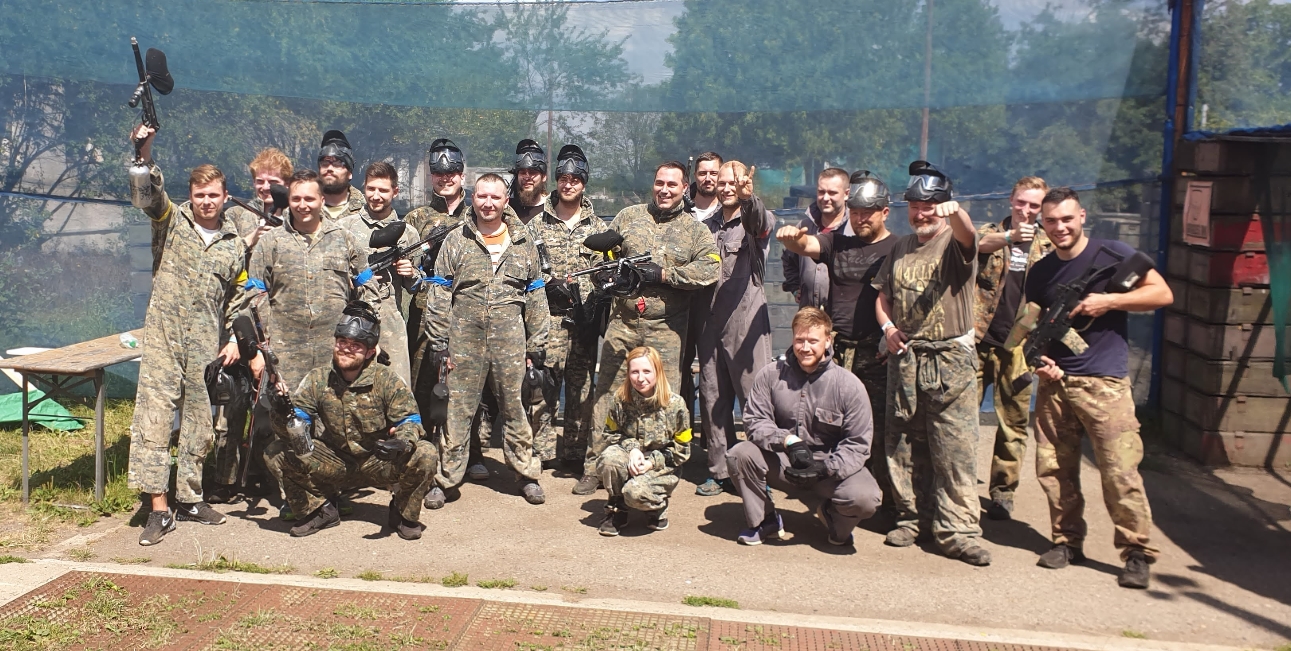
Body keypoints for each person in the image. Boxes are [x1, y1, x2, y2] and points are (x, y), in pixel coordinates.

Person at [1025, 187, 1170, 589]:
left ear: (1082, 216)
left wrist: (1107, 302)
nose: (1059, 227)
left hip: (1104, 381)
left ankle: (1136, 551)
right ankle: (1066, 541)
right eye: (1051, 221)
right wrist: (1039, 361)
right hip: (1056, 383)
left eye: (1066, 219)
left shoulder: (1113, 255)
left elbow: (1162, 293)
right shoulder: (1040, 272)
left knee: (1119, 470)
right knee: (1055, 469)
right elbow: (1031, 327)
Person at [124, 123, 247, 546]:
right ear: (190, 197)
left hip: (205, 345)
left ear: (225, 197)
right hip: (163, 337)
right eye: (199, 195)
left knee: (200, 423)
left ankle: (190, 497)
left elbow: (237, 297)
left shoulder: (235, 244)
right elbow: (148, 196)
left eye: (213, 195)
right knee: (155, 419)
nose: (206, 202)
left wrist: (233, 337)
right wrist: (144, 155)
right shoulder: (170, 221)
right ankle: (158, 507)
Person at [573, 161, 720, 495]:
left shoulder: (694, 230)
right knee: (606, 393)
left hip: (665, 327)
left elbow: (711, 269)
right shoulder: (629, 216)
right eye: (659, 183)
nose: (664, 190)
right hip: (622, 321)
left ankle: (660, 468)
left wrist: (664, 275)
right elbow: (602, 259)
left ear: (685, 189)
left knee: (663, 399)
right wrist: (607, 275)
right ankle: (596, 467)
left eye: (672, 184)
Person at [872, 160, 990, 566]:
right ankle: (910, 517)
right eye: (915, 206)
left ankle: (957, 529)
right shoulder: (902, 247)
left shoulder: (954, 245)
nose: (922, 213)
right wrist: (888, 328)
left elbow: (970, 236)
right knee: (903, 442)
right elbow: (882, 296)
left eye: (930, 205)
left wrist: (954, 212)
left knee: (954, 449)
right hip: (906, 359)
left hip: (950, 363)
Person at [423, 174, 550, 507]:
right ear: (472, 198)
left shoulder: (524, 241)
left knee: (516, 408)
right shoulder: (456, 240)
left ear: (506, 201)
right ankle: (445, 478)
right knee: (457, 411)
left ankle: (526, 474)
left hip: (510, 338)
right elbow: (439, 292)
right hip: (464, 337)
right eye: (482, 196)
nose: (488, 203)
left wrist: (536, 345)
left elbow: (536, 295)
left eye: (495, 197)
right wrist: (439, 342)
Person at [261, 302, 438, 540]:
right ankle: (320, 509)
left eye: (355, 346)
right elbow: (295, 429)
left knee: (425, 453)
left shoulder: (386, 380)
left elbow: (411, 420)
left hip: (379, 461)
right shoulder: (318, 379)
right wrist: (282, 411)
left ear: (369, 352)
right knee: (277, 452)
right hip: (336, 462)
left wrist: (402, 443)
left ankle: (403, 513)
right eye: (342, 343)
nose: (346, 349)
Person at [775, 170, 898, 509]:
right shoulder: (836, 241)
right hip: (837, 350)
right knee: (829, 422)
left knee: (876, 426)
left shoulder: (897, 248)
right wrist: (790, 239)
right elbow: (807, 244)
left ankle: (879, 498)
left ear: (884, 213)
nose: (860, 219)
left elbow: (897, 299)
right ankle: (833, 492)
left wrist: (890, 334)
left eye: (867, 213)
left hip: (875, 352)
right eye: (855, 212)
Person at [728, 307, 881, 546]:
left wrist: (825, 468)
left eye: (813, 340)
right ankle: (765, 519)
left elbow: (858, 444)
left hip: (829, 469)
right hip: (784, 462)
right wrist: (788, 441)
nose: (805, 348)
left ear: (828, 340)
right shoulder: (770, 376)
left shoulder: (849, 385)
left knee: (866, 498)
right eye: (799, 340)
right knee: (739, 454)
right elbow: (755, 421)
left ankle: (833, 517)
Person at [403, 139, 492, 481]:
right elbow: (408, 268)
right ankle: (425, 452)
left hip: (470, 313)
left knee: (471, 387)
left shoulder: (478, 212)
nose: (445, 178)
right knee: (425, 383)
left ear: (462, 173)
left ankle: (471, 454)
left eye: (451, 172)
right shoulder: (417, 217)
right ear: (431, 176)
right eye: (439, 173)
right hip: (429, 313)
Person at [208, 147, 293, 505]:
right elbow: (223, 264)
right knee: (233, 404)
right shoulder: (237, 218)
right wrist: (249, 242)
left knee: (270, 406)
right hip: (238, 319)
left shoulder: (295, 216)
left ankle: (262, 474)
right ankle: (226, 479)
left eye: (273, 181)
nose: (265, 187)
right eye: (260, 180)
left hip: (276, 322)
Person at [244, 170, 372, 393]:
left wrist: (367, 338)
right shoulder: (271, 243)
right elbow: (253, 299)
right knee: (286, 424)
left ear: (321, 200)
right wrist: (258, 351)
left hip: (334, 354)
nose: (303, 205)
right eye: (296, 199)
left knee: (333, 423)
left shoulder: (343, 239)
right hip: (284, 358)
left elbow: (368, 288)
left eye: (309, 199)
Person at [522, 144, 606, 468]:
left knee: (581, 388)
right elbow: (526, 268)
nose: (568, 184)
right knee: (544, 386)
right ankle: (540, 452)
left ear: (584, 182)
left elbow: (604, 274)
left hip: (584, 321)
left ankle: (574, 453)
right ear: (555, 180)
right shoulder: (536, 225)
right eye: (563, 178)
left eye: (575, 178)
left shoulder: (597, 227)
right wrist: (548, 284)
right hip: (549, 321)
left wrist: (594, 297)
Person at [973, 176, 1052, 520]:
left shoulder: (1049, 245)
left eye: (1034, 205)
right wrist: (1008, 237)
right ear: (1011, 200)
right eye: (1021, 202)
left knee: (1013, 423)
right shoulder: (991, 233)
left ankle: (1002, 492)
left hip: (1019, 347)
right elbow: (971, 245)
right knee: (960, 418)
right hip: (977, 341)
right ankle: (955, 483)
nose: (1026, 210)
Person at [693, 161, 773, 497]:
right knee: (713, 398)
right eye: (723, 182)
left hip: (746, 325)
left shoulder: (754, 220)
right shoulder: (704, 226)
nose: (727, 188)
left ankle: (760, 472)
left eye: (734, 182)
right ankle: (720, 470)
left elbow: (761, 224)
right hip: (709, 324)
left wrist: (749, 198)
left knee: (755, 399)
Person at [338, 161, 425, 387]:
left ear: (395, 191)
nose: (376, 196)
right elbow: (333, 280)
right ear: (364, 187)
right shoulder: (344, 228)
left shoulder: (408, 233)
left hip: (390, 323)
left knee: (397, 389)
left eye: (383, 190)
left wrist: (410, 273)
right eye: (371, 189)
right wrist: (356, 280)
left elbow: (416, 287)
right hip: (352, 319)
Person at [595, 346, 691, 536]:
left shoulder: (675, 405)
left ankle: (655, 506)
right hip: (631, 457)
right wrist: (632, 449)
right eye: (635, 372)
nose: (640, 378)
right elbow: (609, 433)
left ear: (658, 372)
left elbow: (683, 449)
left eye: (647, 371)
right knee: (609, 460)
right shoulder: (620, 400)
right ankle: (617, 507)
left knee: (636, 492)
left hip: (662, 466)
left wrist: (651, 462)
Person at [679, 152, 722, 445]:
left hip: (715, 305)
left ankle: (711, 440)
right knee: (679, 369)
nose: (708, 178)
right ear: (695, 176)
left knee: (712, 372)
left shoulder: (731, 211)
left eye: (714, 173)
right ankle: (681, 438)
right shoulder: (680, 210)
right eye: (703, 173)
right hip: (681, 302)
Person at [780, 168, 850, 310]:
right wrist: (794, 286)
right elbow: (788, 258)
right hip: (809, 318)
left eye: (832, 193)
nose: (825, 198)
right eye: (821, 192)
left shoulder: (853, 229)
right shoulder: (804, 226)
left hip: (844, 320)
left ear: (846, 194)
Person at [318, 130, 366, 221]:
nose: (329, 168)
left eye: (337, 164)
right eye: (324, 163)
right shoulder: (301, 208)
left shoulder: (367, 211)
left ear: (349, 173)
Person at [509, 139, 548, 224]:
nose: (527, 177)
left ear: (544, 177)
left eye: (532, 172)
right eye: (522, 172)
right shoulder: (507, 209)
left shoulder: (553, 210)